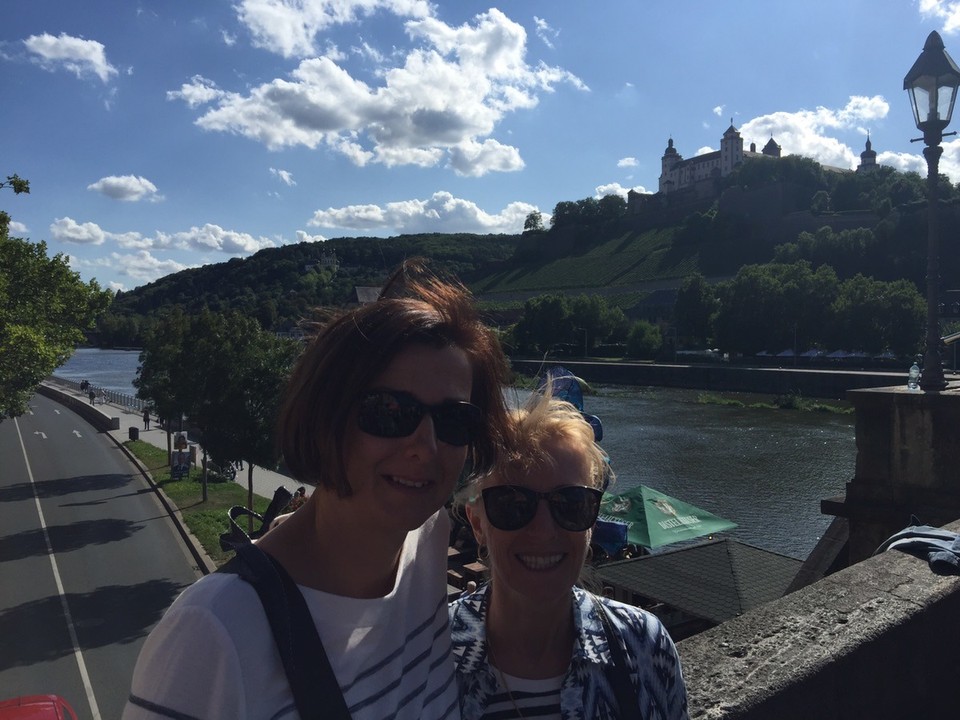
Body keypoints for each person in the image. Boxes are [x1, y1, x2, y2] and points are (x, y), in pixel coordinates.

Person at [123, 259, 510, 720]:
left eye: (455, 420)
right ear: (325, 414)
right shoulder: (213, 633)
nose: (425, 447)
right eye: (389, 411)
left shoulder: (428, 541)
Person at [449, 388, 689, 720]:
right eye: (513, 504)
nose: (544, 531)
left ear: (592, 522)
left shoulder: (644, 645)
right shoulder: (426, 655)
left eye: (572, 504)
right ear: (477, 523)